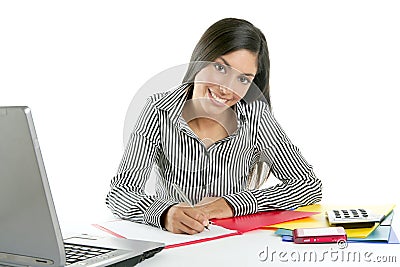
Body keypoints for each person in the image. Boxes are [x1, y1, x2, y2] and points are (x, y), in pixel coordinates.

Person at [106, 18, 322, 235]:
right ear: (200, 59)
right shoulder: (159, 110)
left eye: (243, 80)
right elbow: (121, 192)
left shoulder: (255, 116)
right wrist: (164, 213)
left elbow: (308, 185)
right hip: (171, 243)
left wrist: (232, 204)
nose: (226, 89)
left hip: (231, 243)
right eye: (220, 68)